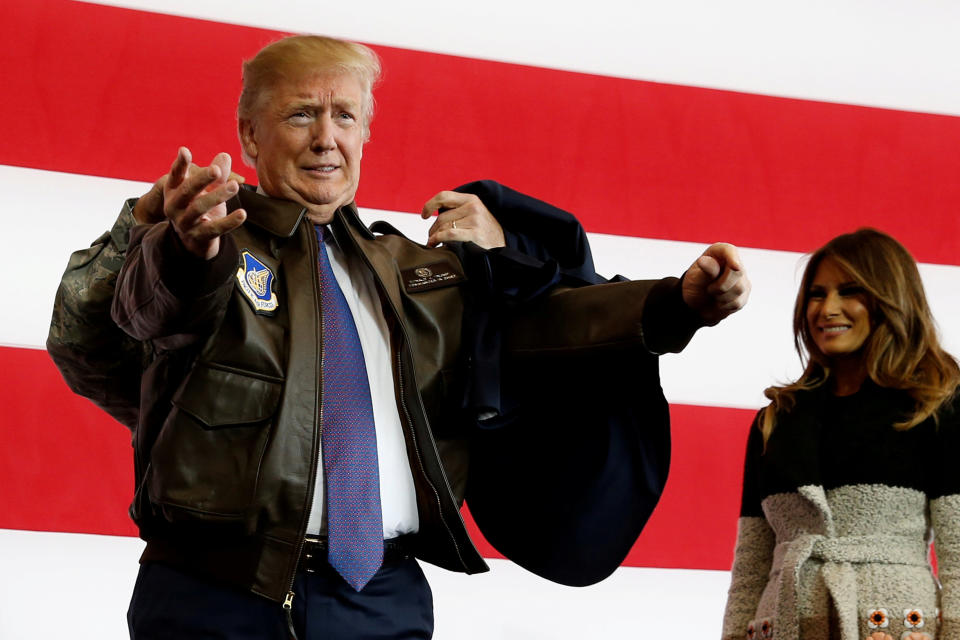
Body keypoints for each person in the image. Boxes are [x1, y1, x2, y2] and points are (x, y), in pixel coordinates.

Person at [48, 35, 750, 640]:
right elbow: (153, 307)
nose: (327, 136)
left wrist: (673, 304)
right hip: (216, 600)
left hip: (382, 599)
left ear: (364, 136)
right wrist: (182, 245)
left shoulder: (417, 270)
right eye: (301, 114)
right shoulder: (209, 245)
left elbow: (543, 328)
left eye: (344, 115)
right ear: (250, 135)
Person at [721, 228, 960, 640]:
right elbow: (750, 568)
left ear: (891, 299)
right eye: (816, 294)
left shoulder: (936, 404)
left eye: (849, 291)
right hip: (784, 623)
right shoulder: (774, 420)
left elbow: (958, 555)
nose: (827, 309)